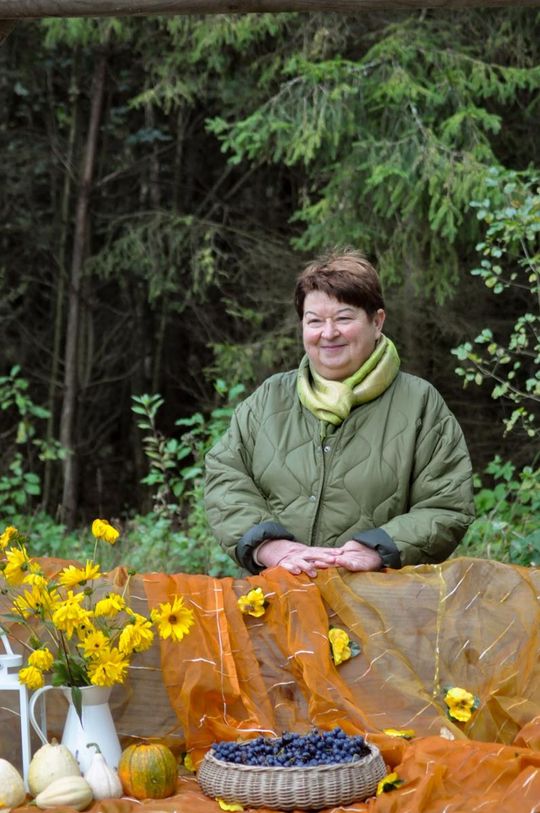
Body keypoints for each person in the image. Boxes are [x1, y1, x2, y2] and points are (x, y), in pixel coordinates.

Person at [204, 249, 475, 577]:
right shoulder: (269, 400)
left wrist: (379, 547)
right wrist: (269, 545)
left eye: (343, 318)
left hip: (380, 610)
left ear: (376, 322)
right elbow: (225, 475)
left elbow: (447, 505)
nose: (328, 333)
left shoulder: (420, 403)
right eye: (314, 320)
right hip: (280, 602)